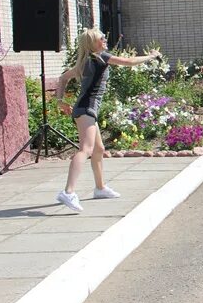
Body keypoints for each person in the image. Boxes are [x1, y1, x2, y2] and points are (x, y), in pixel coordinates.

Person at [54, 29, 161, 212]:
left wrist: (59, 100)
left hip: (86, 109)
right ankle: (68, 192)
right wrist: (151, 56)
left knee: (99, 149)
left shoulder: (86, 61)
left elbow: (63, 78)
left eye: (104, 37)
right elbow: (129, 62)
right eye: (100, 38)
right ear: (93, 43)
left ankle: (100, 188)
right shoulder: (99, 57)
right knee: (85, 150)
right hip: (86, 109)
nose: (104, 39)